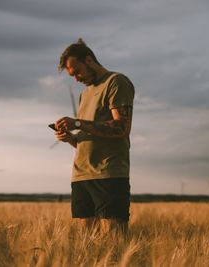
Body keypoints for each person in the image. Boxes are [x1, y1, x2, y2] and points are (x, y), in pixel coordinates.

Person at [54, 38, 135, 235]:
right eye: (72, 76)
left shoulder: (116, 82)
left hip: (109, 173)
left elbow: (122, 128)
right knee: (88, 246)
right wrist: (71, 138)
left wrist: (78, 123)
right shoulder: (84, 95)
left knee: (114, 243)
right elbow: (92, 137)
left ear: (89, 60)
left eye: (77, 72)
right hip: (81, 175)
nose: (76, 78)